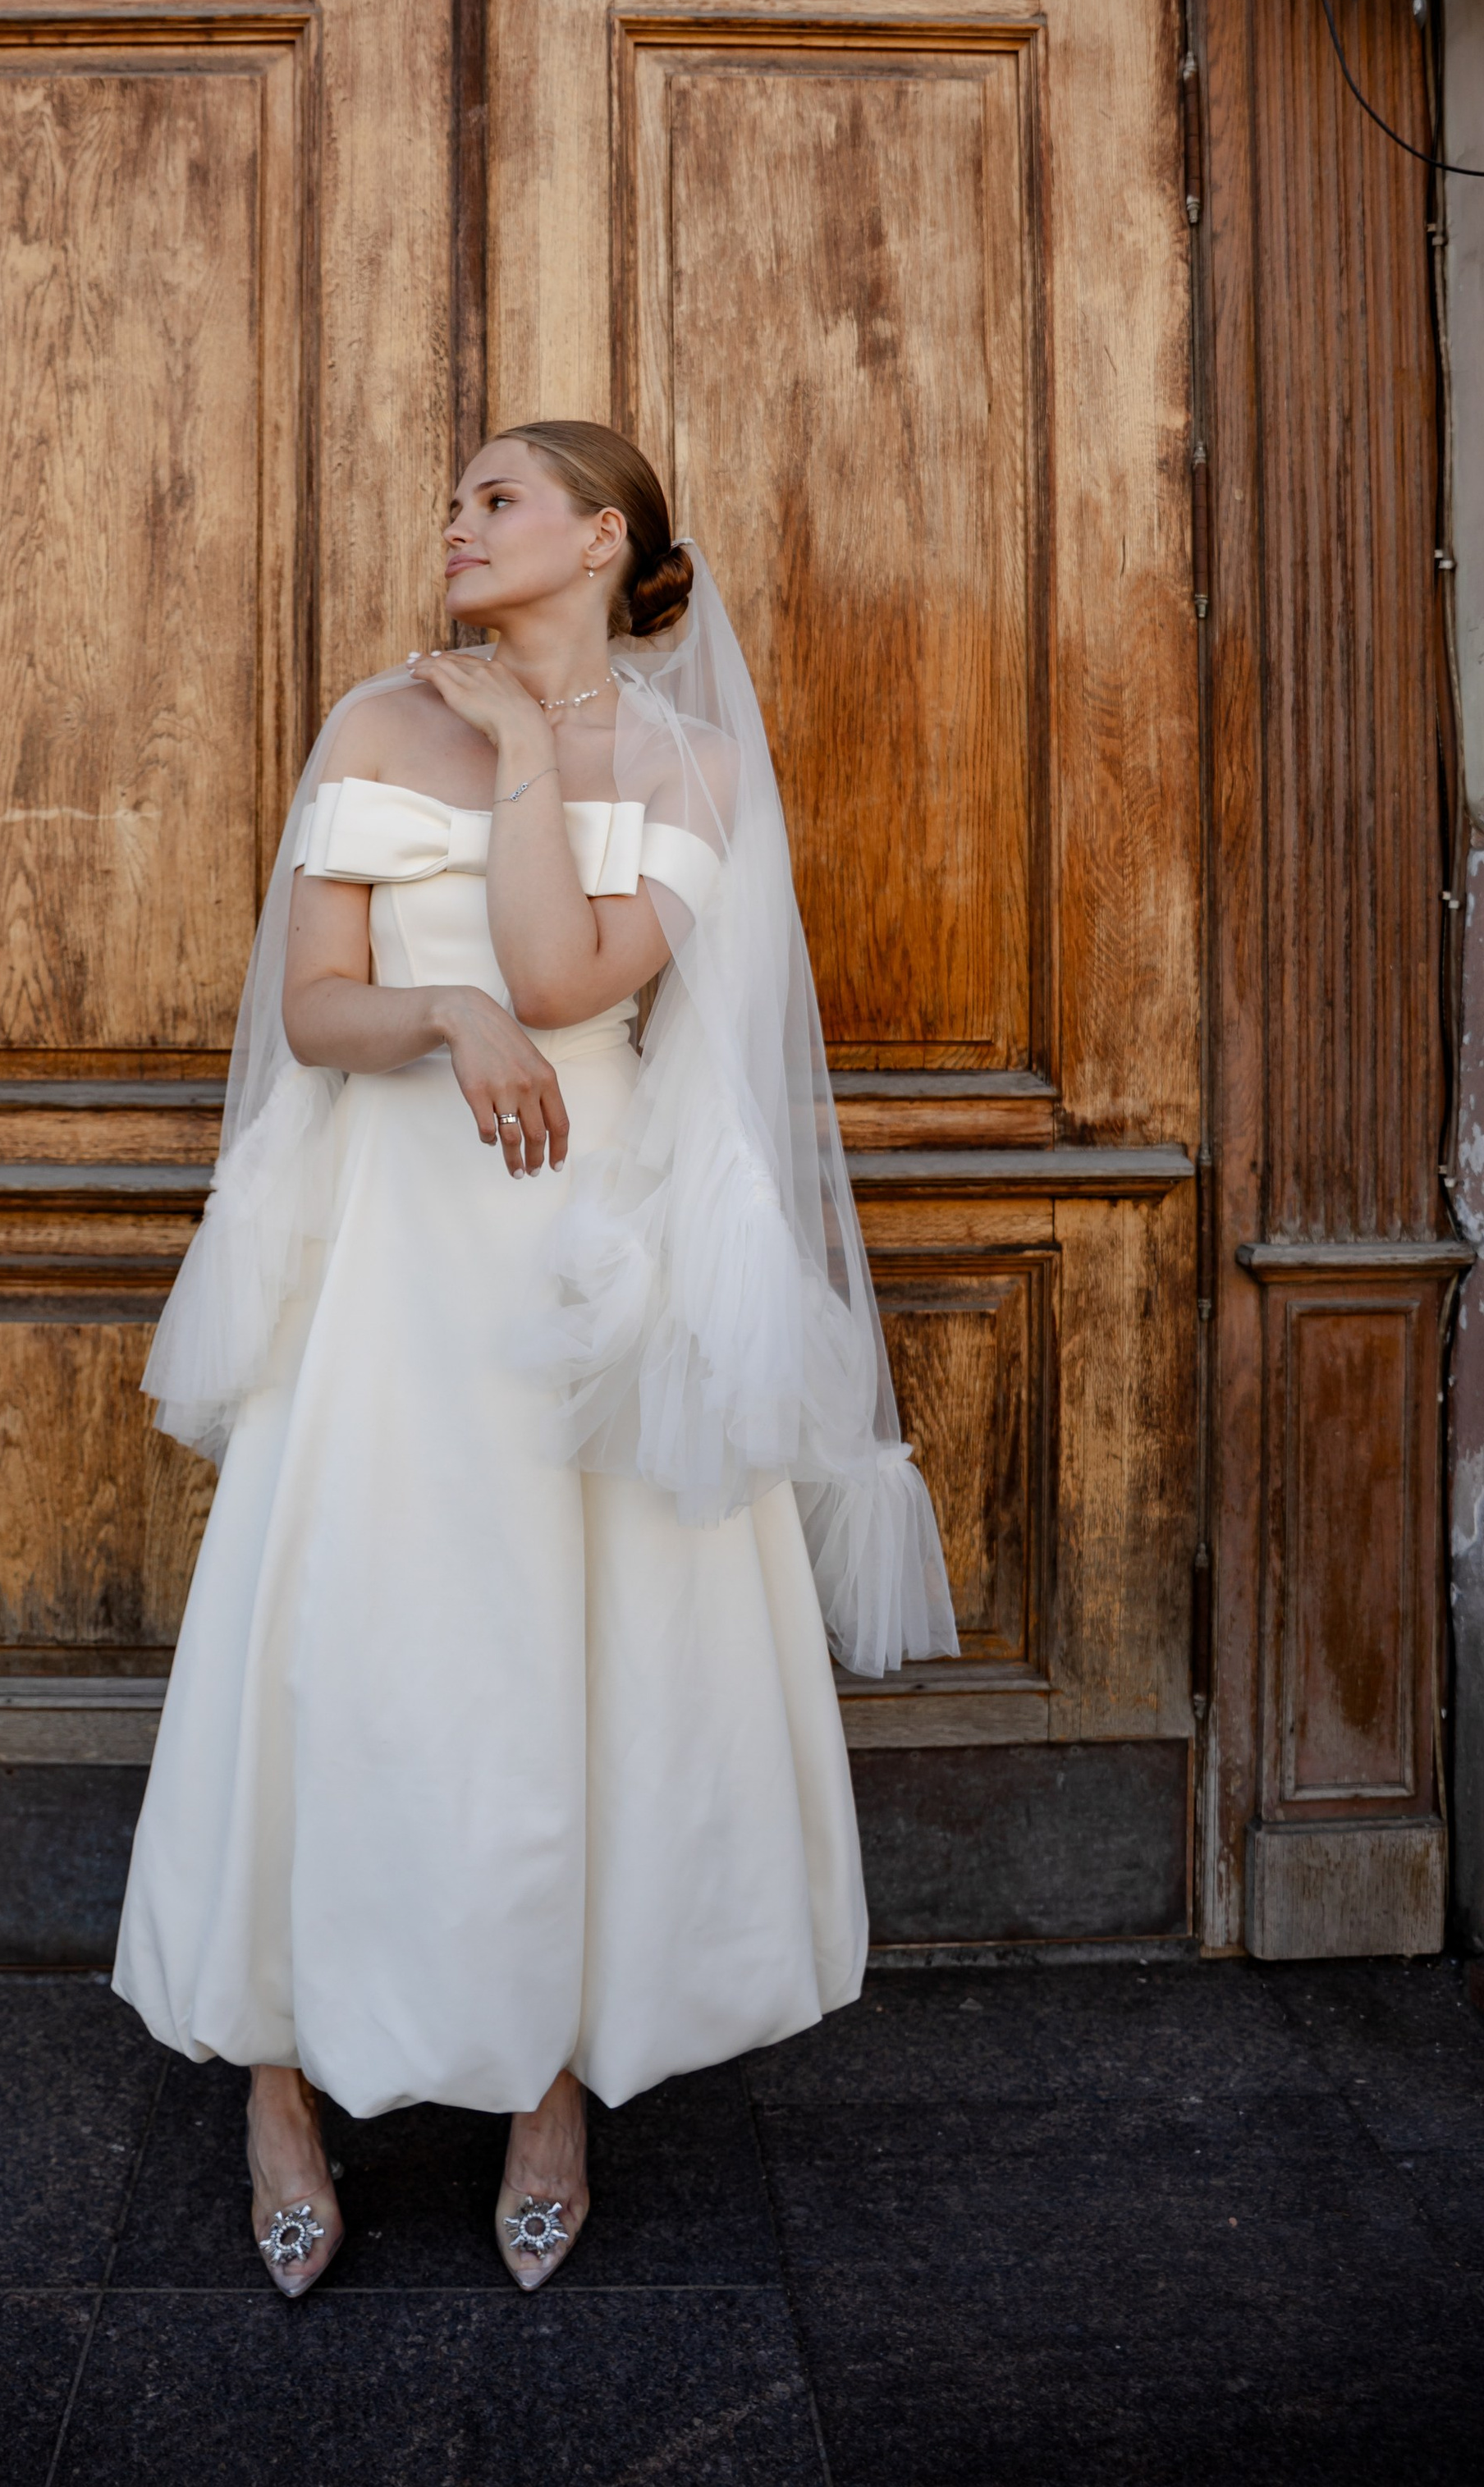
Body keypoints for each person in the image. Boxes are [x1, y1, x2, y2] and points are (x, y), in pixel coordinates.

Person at [112, 421, 957, 2295]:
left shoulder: (695, 767)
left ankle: (546, 2086)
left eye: (497, 498)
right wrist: (436, 1008)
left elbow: (570, 976)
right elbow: (318, 1009)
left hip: (591, 1274)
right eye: (453, 496)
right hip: (392, 1262)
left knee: (566, 1669)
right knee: (339, 1648)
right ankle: (275, 2077)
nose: (455, 521)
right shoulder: (363, 722)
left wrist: (516, 756)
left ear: (600, 539)